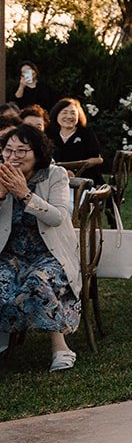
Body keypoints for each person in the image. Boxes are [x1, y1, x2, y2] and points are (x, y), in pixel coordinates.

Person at [0, 124, 81, 372]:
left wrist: (24, 194)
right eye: (8, 150)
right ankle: (3, 340)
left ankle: (60, 347)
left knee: (38, 281)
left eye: (22, 151)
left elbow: (58, 216)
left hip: (49, 253)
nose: (13, 157)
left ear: (37, 153)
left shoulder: (54, 175)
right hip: (10, 253)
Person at [49, 98, 104, 184]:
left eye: (73, 113)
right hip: (56, 180)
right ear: (56, 115)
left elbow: (98, 159)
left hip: (86, 181)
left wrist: (79, 167)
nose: (69, 117)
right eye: (64, 112)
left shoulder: (86, 134)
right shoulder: (51, 136)